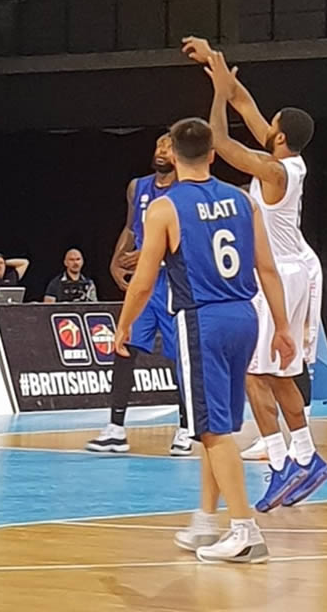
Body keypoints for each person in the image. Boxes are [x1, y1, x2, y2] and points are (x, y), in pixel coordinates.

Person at [116, 117, 295, 564]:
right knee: (218, 426)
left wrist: (124, 325)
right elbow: (267, 268)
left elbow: (142, 281)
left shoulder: (166, 207)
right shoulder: (241, 199)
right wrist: (285, 326)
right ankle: (205, 520)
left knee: (212, 431)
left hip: (202, 320)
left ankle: (245, 531)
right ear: (213, 154)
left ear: (173, 155)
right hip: (245, 317)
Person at [186, 39, 327, 511]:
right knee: (280, 375)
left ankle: (278, 463)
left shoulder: (274, 171)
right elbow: (245, 104)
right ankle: (307, 457)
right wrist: (217, 67)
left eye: (271, 125)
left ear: (280, 136)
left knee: (253, 374)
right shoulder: (289, 160)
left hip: (283, 273)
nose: (264, 123)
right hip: (294, 268)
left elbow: (221, 144)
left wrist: (213, 99)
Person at [87, 134, 192, 457]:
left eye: (168, 146)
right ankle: (116, 429)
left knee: (183, 359)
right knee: (124, 346)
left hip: (176, 282)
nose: (160, 150)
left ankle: (187, 428)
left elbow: (187, 238)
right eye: (158, 145)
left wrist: (150, 254)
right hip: (145, 282)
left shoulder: (188, 192)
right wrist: (117, 261)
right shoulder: (138, 187)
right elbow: (132, 228)